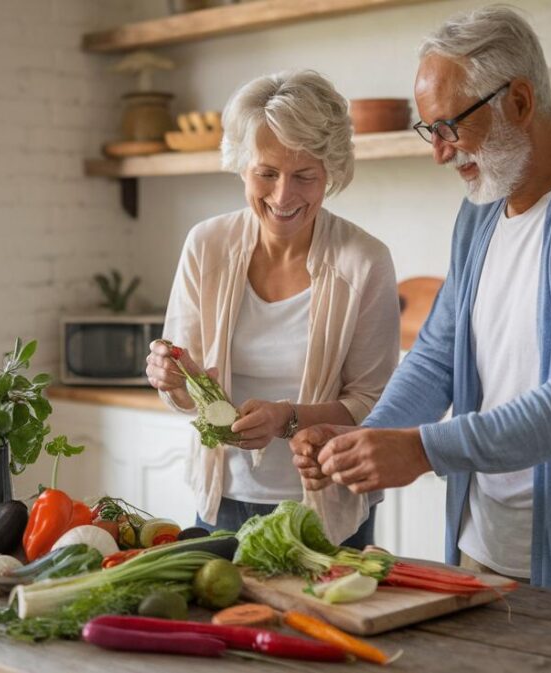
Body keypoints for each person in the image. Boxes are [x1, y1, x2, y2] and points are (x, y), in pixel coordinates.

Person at [291, 6, 551, 605]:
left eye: (449, 127)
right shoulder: (480, 211)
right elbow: (437, 357)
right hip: (482, 548)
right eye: (430, 131)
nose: (440, 153)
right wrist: (364, 443)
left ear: (519, 101)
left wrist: (420, 449)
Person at [146, 70, 400, 548]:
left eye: (305, 176)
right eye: (267, 173)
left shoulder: (365, 261)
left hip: (329, 510)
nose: (283, 196)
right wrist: (174, 380)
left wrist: (288, 418)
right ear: (242, 166)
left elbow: (373, 405)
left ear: (331, 174)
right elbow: (183, 394)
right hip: (223, 499)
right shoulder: (207, 245)